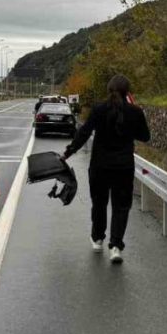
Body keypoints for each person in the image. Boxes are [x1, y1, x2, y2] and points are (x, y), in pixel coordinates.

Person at [63, 75, 150, 264]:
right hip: (124, 167)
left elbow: (84, 132)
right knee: (121, 206)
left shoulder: (99, 109)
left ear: (109, 89)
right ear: (127, 92)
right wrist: (132, 123)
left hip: (99, 166)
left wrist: (68, 152)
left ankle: (97, 239)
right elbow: (145, 136)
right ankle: (116, 246)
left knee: (99, 203)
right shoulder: (135, 111)